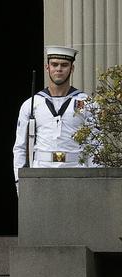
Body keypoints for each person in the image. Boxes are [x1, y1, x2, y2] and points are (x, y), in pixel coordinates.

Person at [13, 46, 92, 191]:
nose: (59, 69)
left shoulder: (86, 102)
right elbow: (20, 147)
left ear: (72, 68)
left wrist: (95, 180)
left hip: (76, 171)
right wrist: (19, 181)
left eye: (64, 65)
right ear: (47, 67)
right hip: (41, 171)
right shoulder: (32, 103)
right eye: (54, 64)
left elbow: (95, 144)